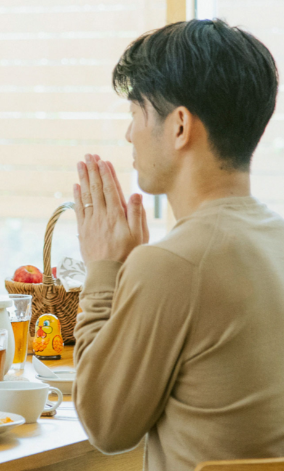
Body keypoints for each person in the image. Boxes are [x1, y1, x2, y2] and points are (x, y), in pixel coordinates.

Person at [71, 19, 284, 470]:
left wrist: (105, 269)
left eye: (135, 114)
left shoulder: (172, 264)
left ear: (180, 126)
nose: (129, 134)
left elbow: (105, 426)